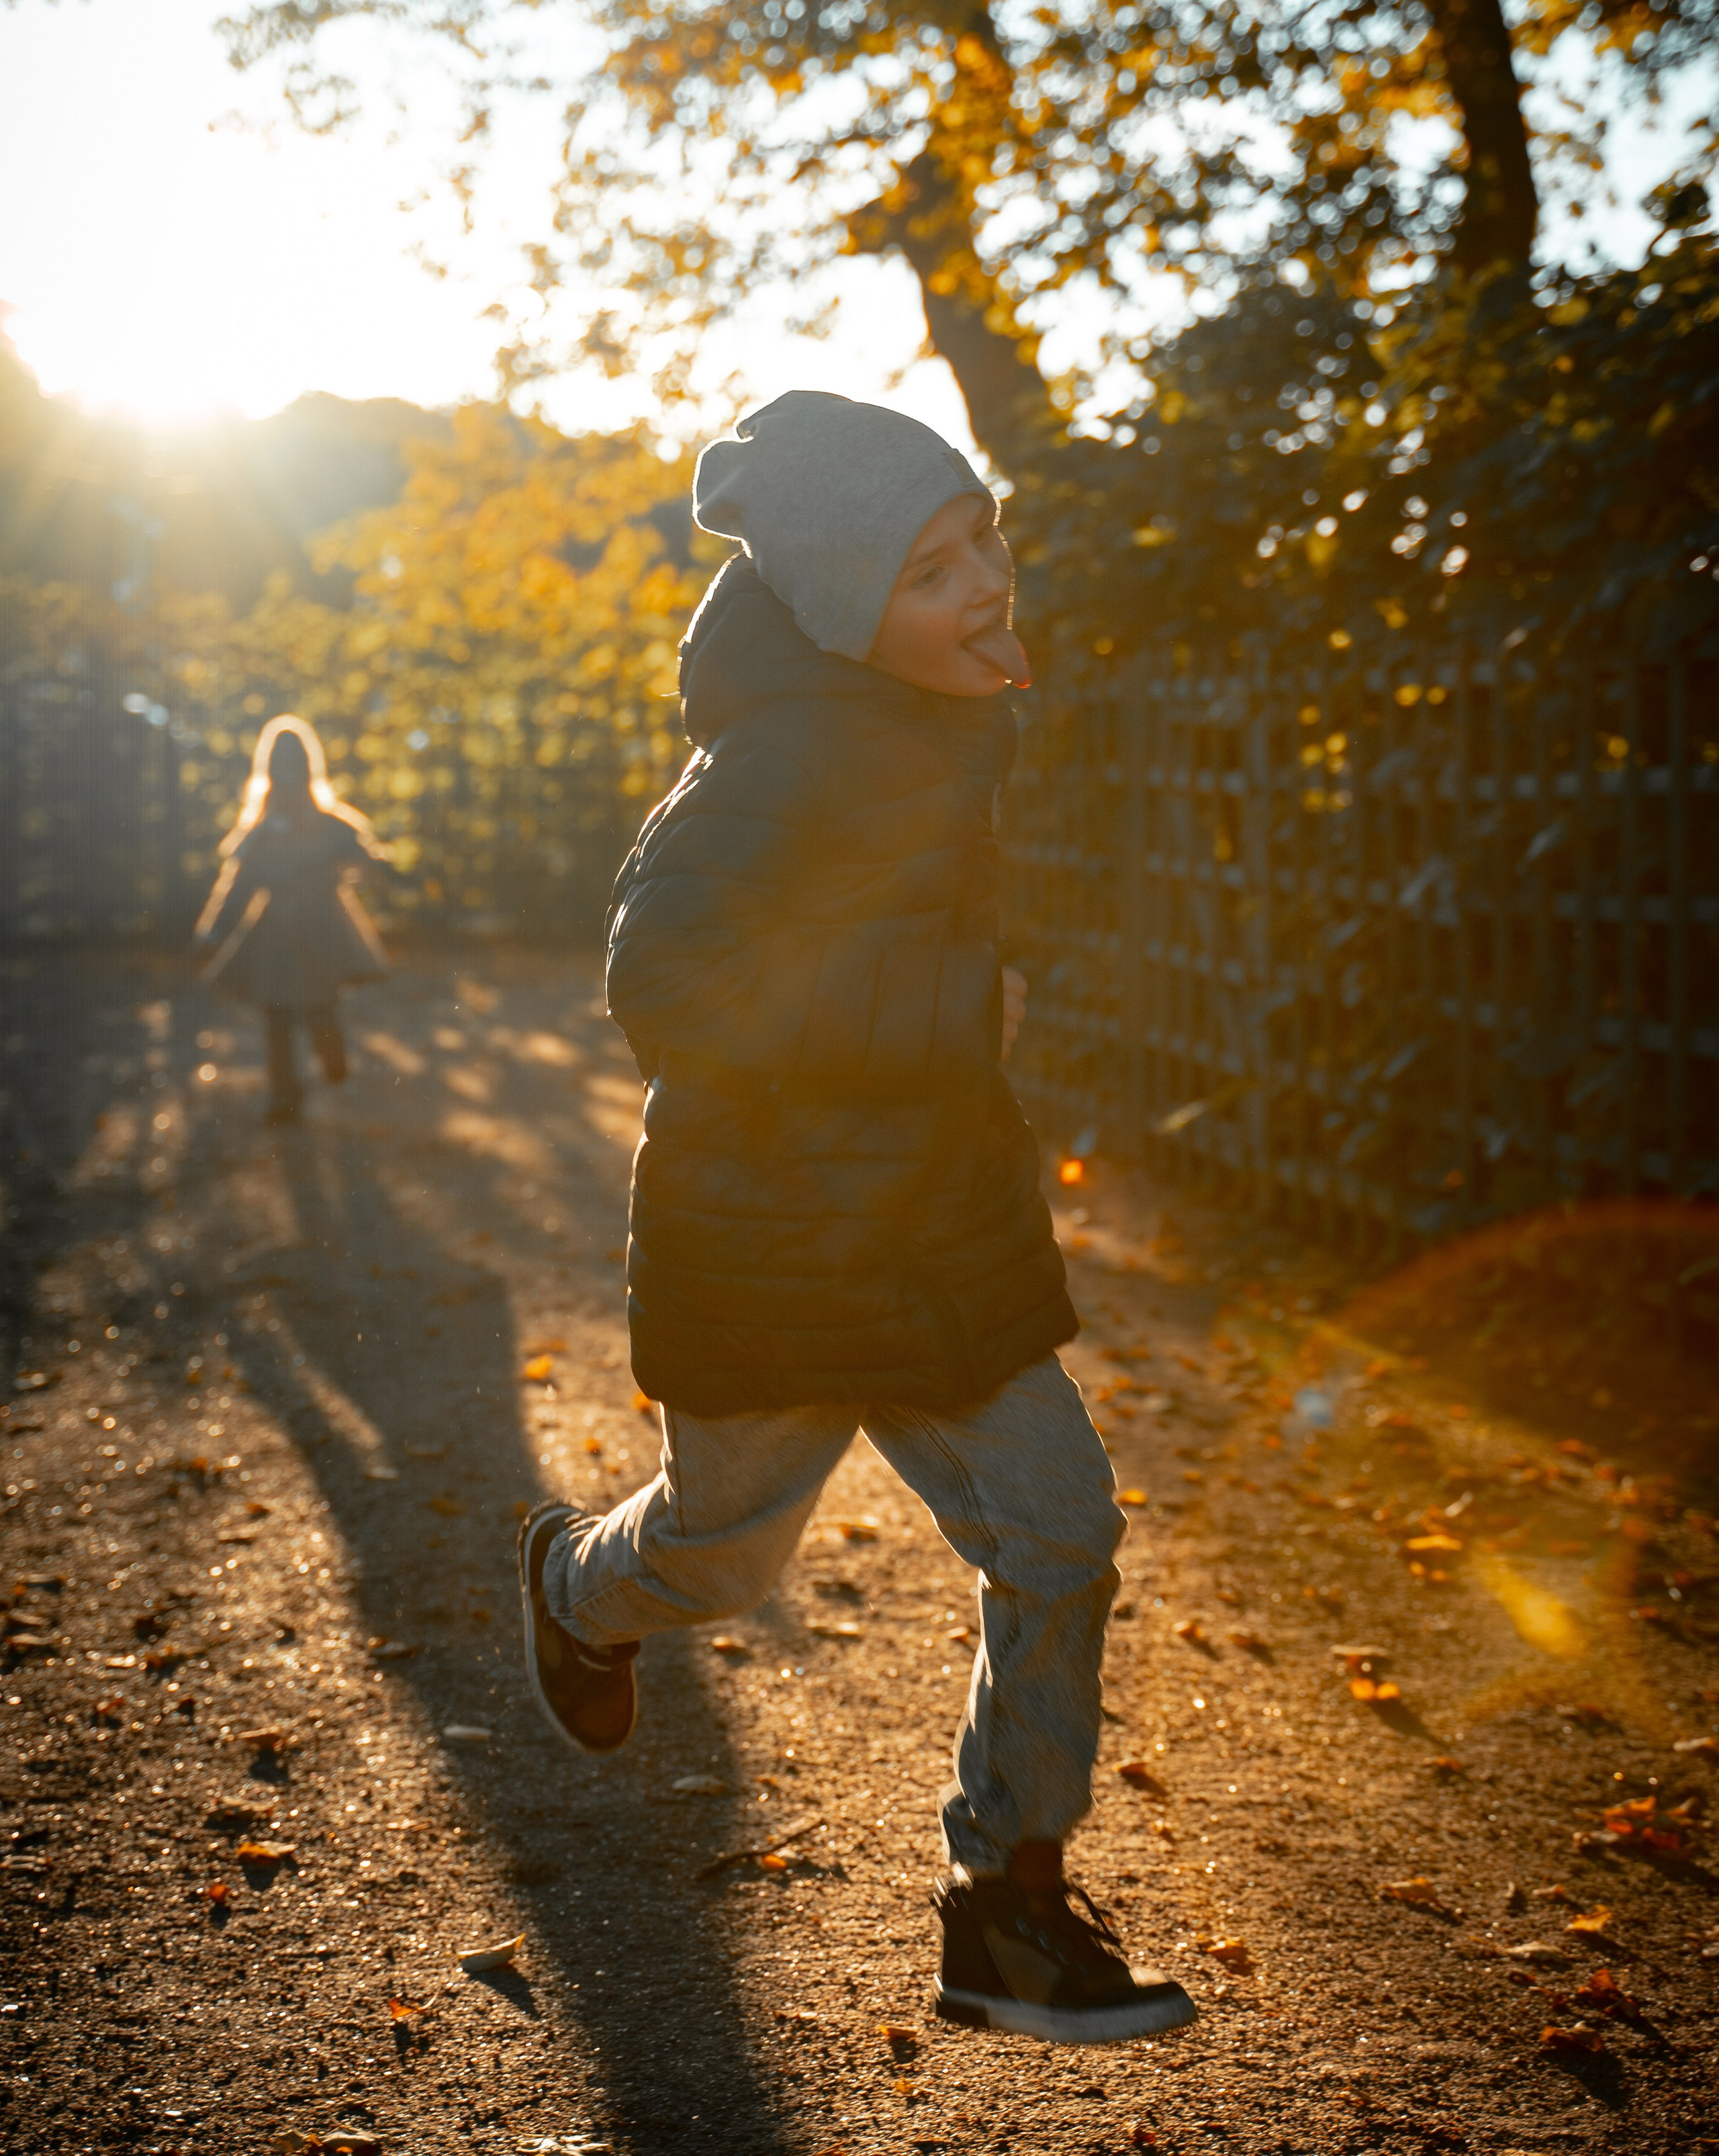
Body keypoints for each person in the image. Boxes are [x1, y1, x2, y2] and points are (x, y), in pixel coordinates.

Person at [518, 391, 1196, 2045]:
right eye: (927, 570)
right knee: (717, 1552)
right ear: (836, 613)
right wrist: (947, 1002)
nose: (981, 587)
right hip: (769, 1249)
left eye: (981, 542)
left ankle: (1005, 1908)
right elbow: (660, 973)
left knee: (1058, 1530)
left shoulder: (932, 727)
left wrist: (968, 996)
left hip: (931, 1239)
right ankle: (575, 1589)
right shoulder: (772, 753)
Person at [194, 714, 391, 1123]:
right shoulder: (264, 831)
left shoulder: (330, 825)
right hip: (275, 933)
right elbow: (240, 883)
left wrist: (376, 864)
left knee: (319, 1010)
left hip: (323, 927)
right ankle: (285, 1099)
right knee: (278, 1017)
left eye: (292, 765)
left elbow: (366, 865)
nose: (286, 774)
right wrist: (215, 928)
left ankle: (334, 1066)